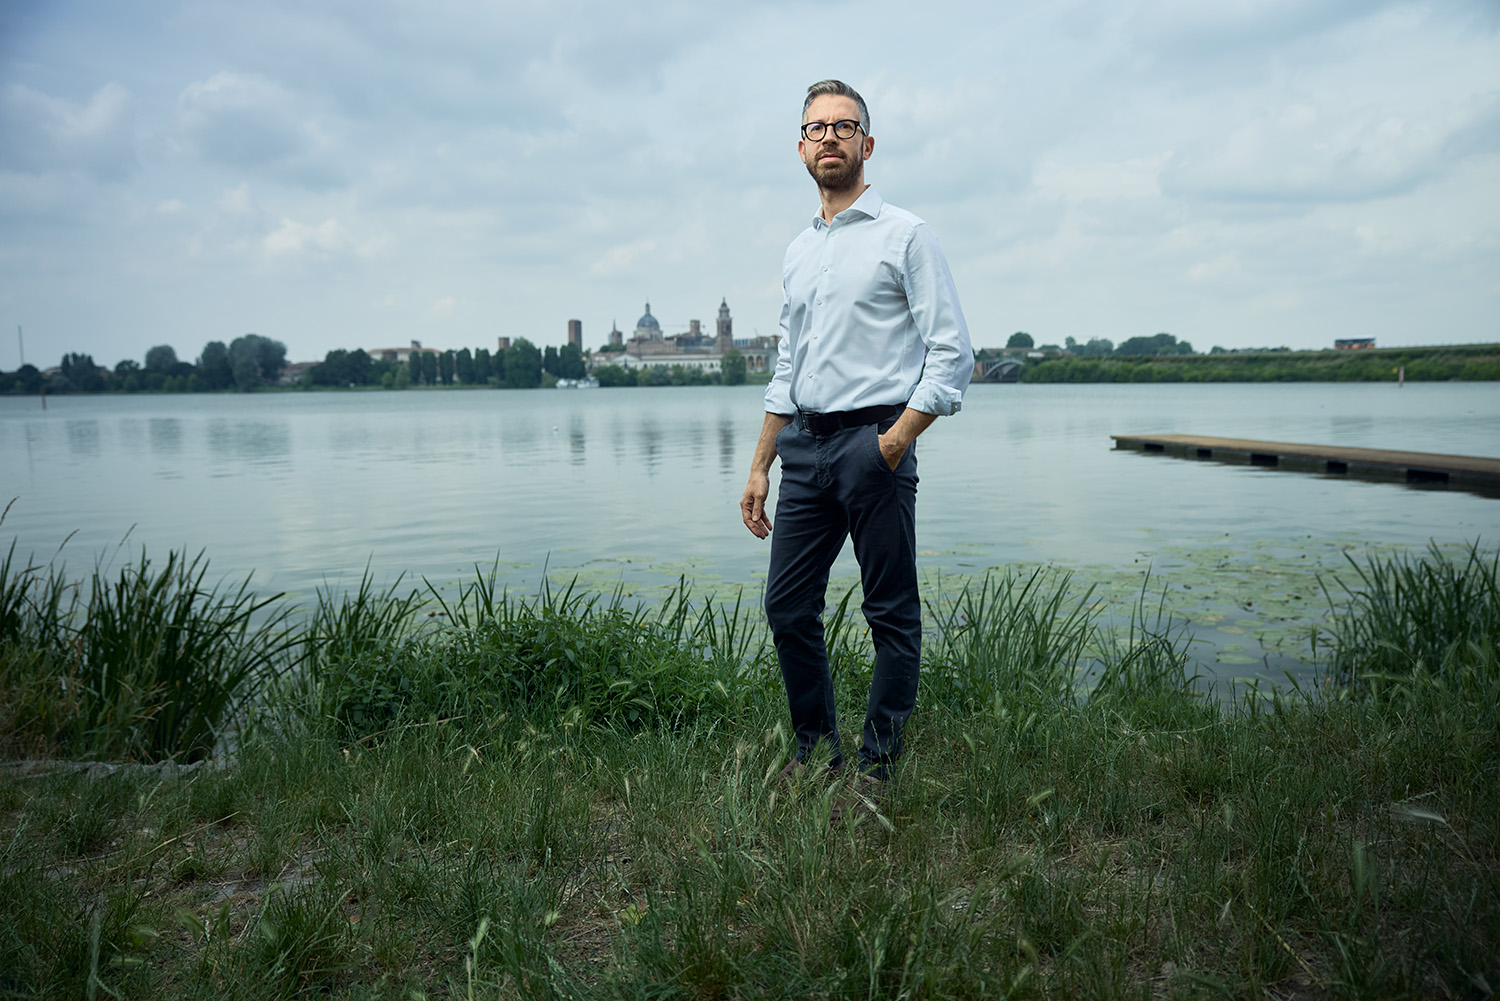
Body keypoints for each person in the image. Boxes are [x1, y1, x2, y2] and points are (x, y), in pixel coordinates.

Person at [739, 79, 974, 799]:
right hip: (804, 449)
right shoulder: (798, 252)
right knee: (787, 606)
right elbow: (789, 366)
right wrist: (760, 464)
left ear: (866, 144)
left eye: (844, 127)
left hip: (874, 445)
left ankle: (876, 769)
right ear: (801, 149)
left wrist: (893, 443)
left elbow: (952, 353)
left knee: (890, 614)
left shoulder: (905, 235)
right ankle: (817, 754)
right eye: (817, 128)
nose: (830, 138)